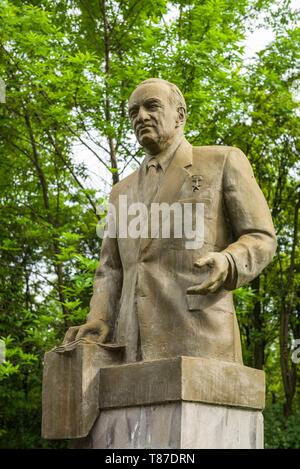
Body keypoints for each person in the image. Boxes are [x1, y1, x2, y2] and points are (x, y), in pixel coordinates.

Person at [63, 78, 276, 364]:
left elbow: (261, 237)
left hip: (201, 340)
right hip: (131, 346)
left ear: (180, 115)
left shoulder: (223, 162)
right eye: (133, 112)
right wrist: (99, 317)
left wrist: (230, 262)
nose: (141, 116)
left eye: (152, 106)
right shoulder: (120, 192)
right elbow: (110, 269)